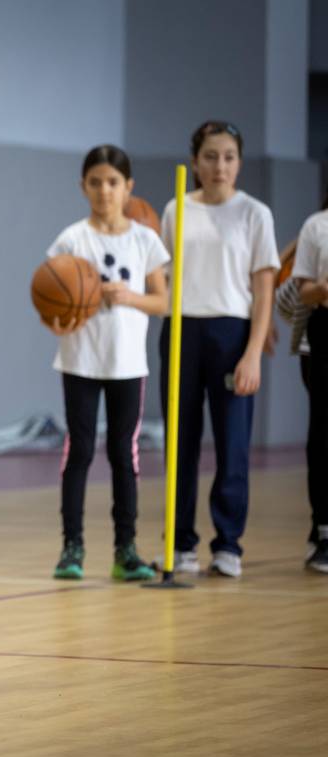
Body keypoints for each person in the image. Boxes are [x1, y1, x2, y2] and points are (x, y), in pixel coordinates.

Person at [158, 121, 279, 578]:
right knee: (180, 444)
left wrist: (252, 351)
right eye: (210, 156)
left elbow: (264, 288)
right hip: (181, 331)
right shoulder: (176, 209)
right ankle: (180, 544)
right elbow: (163, 279)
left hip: (231, 333)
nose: (219, 165)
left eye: (228, 156)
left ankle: (228, 544)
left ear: (239, 162)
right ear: (195, 162)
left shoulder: (255, 214)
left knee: (232, 444)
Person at [43, 146, 170, 582]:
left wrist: (128, 296)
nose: (104, 190)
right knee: (78, 452)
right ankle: (71, 548)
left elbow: (164, 301)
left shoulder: (145, 240)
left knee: (123, 453)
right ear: (83, 187)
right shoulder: (71, 239)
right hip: (80, 361)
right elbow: (53, 305)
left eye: (113, 182)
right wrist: (59, 319)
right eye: (95, 182)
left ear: (128, 187)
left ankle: (126, 550)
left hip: (127, 365)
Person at [289, 193, 328, 573]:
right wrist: (323, 289)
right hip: (320, 336)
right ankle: (323, 529)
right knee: (323, 437)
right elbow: (299, 293)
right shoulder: (318, 226)